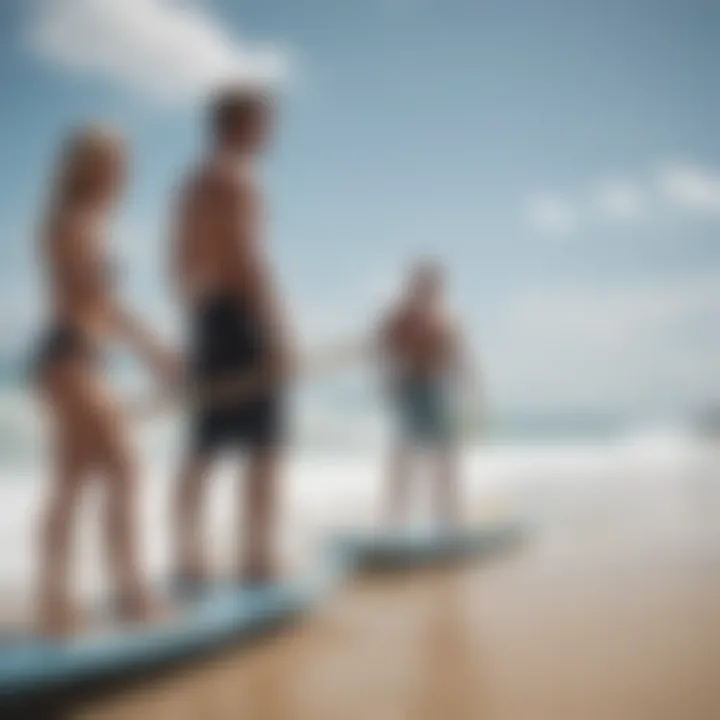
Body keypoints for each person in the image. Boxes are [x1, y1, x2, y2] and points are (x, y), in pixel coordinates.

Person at [34, 125, 177, 636]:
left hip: (76, 359)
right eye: (114, 163)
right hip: (71, 358)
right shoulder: (76, 222)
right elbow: (100, 301)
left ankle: (54, 603)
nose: (123, 173)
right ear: (89, 167)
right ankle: (132, 594)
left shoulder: (78, 221)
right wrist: (157, 351)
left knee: (71, 483)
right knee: (124, 470)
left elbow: (95, 303)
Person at [171, 86, 290, 590]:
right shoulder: (240, 177)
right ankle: (256, 560)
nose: (271, 131)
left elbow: (177, 262)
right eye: (264, 122)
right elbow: (247, 255)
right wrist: (278, 328)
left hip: (208, 317)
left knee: (204, 444)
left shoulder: (193, 183)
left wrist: (200, 316)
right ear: (241, 124)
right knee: (265, 446)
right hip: (243, 317)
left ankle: (190, 560)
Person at [377, 260, 476, 527]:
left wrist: (469, 385)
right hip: (410, 389)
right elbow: (381, 348)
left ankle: (448, 515)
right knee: (405, 455)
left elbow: (459, 356)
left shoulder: (444, 320)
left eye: (431, 286)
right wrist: (388, 378)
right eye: (421, 284)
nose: (426, 291)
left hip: (436, 390)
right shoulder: (400, 317)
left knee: (445, 456)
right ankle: (396, 517)